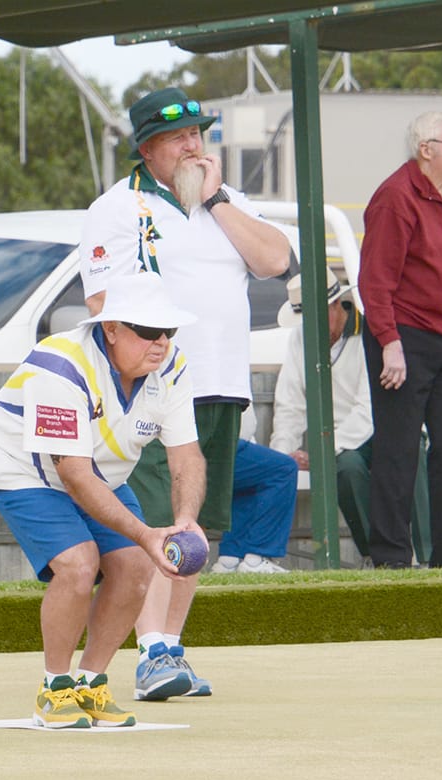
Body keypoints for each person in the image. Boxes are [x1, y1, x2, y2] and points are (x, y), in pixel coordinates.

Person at [80, 86, 292, 699]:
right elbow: (102, 305)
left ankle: (169, 648)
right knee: (150, 526)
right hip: (151, 386)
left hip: (222, 384)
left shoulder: (227, 202)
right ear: (147, 148)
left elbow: (276, 259)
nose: (194, 144)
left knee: (194, 525)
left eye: (199, 133)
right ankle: (150, 654)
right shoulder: (116, 208)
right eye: (179, 137)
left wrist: (218, 198)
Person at [0, 271, 205, 728]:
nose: (160, 342)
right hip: (20, 467)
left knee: (136, 564)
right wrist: (145, 533)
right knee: (79, 564)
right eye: (147, 331)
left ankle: (89, 682)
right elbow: (73, 476)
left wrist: (184, 520)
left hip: (100, 471)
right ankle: (54, 688)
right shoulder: (60, 364)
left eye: (168, 331)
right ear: (111, 328)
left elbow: (187, 457)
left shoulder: (171, 366)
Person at [357, 111, 442, 569]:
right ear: (426, 149)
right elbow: (375, 279)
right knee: (398, 448)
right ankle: (391, 557)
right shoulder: (395, 198)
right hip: (407, 339)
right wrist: (389, 341)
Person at [269, 270, 431, 565]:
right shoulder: (299, 341)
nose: (309, 327)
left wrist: (319, 452)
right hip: (342, 443)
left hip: (383, 426)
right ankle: (379, 557)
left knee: (412, 449)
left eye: (316, 317)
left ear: (336, 306)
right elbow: (289, 403)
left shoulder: (370, 330)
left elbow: (367, 409)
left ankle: (429, 555)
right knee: (346, 467)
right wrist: (281, 457)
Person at [211, 436, 297, 574]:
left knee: (252, 478)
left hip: (212, 443)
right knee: (284, 468)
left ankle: (230, 560)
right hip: (209, 445)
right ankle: (256, 559)